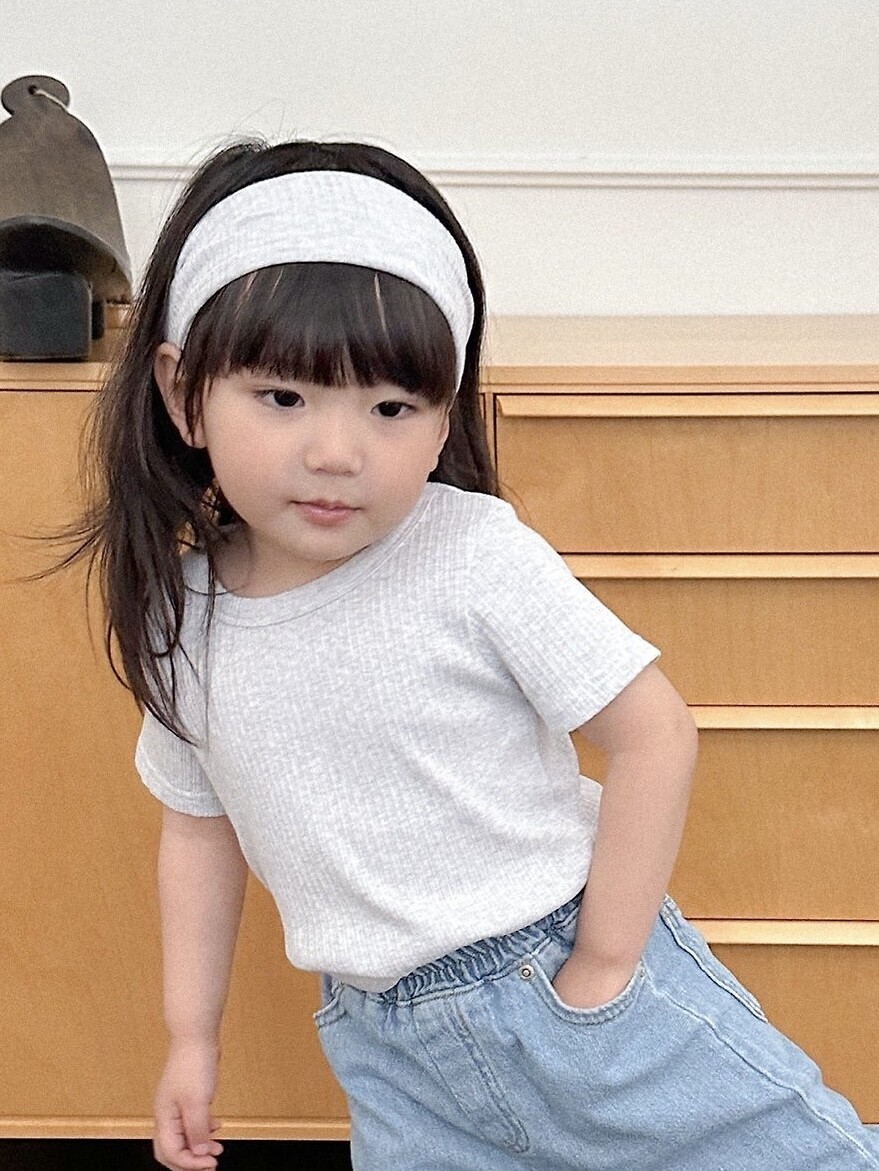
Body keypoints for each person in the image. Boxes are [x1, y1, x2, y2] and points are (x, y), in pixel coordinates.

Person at [63, 137, 879, 1171]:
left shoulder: (471, 553)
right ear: (185, 393)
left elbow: (654, 733)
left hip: (561, 978)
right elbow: (198, 828)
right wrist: (191, 1037)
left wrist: (604, 965)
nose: (337, 451)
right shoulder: (186, 617)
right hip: (385, 1044)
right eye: (283, 397)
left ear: (443, 416)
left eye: (390, 408)